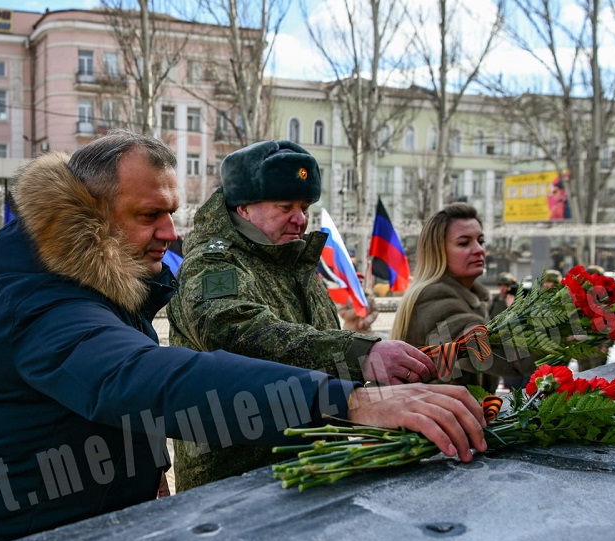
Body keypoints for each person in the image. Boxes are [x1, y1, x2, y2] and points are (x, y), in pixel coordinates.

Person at [0, 131, 486, 541]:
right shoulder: (45, 300)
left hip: (81, 533)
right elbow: (144, 380)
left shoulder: (108, 287)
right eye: (149, 215)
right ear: (87, 216)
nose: (170, 233)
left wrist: (149, 477)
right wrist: (349, 397)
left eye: (171, 213)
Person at [166, 140, 437, 489]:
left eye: (305, 207)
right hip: (236, 476)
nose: (301, 219)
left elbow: (316, 354)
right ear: (244, 208)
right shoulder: (214, 263)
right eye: (285, 206)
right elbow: (235, 333)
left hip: (311, 463)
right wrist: (362, 353)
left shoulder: (294, 262)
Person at [390, 203, 535, 391]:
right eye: (464, 243)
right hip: (436, 417)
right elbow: (507, 356)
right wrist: (566, 326)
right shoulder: (436, 299)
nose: (479, 250)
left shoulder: (465, 297)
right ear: (438, 252)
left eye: (480, 241)